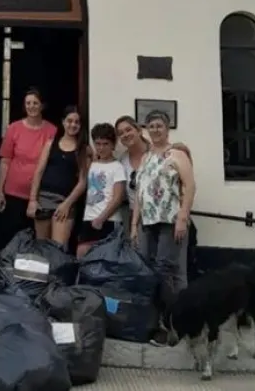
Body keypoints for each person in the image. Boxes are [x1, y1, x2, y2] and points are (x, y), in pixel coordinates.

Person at [131, 109, 197, 344]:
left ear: (167, 128)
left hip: (170, 221)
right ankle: (159, 322)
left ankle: (172, 326)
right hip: (148, 223)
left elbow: (189, 186)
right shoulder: (146, 158)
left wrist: (182, 217)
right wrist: (133, 225)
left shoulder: (177, 154)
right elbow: (140, 193)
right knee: (150, 271)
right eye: (151, 126)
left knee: (165, 271)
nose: (155, 129)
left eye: (159, 125)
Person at [0, 89, 57, 249]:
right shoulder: (14, 128)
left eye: (35, 103)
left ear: (42, 106)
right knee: (12, 237)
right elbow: (5, 161)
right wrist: (0, 192)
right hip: (13, 192)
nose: (31, 106)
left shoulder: (52, 131)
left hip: (40, 195)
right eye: (28, 103)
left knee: (38, 241)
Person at [27, 106, 89, 246]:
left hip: (65, 203)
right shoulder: (50, 144)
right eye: (69, 121)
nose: (73, 125)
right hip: (43, 200)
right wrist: (32, 200)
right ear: (63, 122)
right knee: (41, 248)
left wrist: (66, 204)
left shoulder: (83, 149)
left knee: (58, 249)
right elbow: (39, 172)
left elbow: (82, 182)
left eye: (77, 122)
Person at [76, 123, 127, 257]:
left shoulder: (117, 167)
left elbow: (118, 197)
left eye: (105, 144)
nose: (101, 148)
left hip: (108, 220)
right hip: (89, 217)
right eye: (98, 144)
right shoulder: (92, 164)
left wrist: (101, 218)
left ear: (113, 145)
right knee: (82, 255)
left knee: (105, 260)